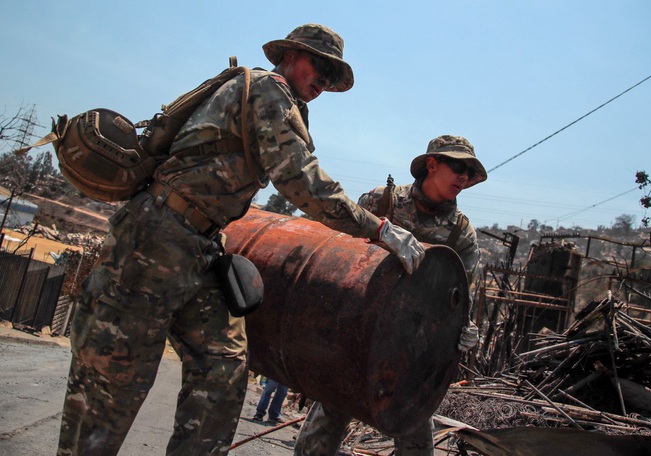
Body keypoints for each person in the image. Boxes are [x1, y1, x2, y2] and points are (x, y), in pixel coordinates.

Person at [56, 23, 425, 456]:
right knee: (112, 380)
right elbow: (301, 180)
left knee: (223, 370)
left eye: (330, 76)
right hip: (156, 239)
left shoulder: (277, 100)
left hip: (201, 245)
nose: (322, 83)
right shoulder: (269, 91)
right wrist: (379, 229)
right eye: (319, 68)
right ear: (289, 56)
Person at [294, 134, 487, 456]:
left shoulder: (460, 233)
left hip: (409, 356)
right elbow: (334, 257)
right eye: (458, 167)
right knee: (318, 439)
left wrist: (464, 329)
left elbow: (460, 297)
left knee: (416, 446)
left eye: (470, 172)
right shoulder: (380, 203)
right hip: (351, 339)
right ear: (432, 164)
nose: (464, 177)